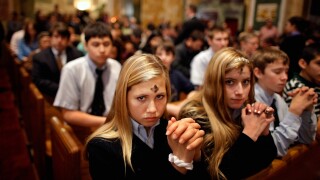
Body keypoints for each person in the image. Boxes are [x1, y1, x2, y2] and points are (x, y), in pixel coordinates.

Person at [85, 53, 205, 179]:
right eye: (141, 98)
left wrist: (196, 156)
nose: (152, 109)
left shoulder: (173, 134)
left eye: (159, 96)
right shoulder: (102, 147)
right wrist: (180, 163)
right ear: (123, 98)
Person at [179, 47, 277, 179]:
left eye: (245, 82)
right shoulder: (195, 116)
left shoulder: (245, 109)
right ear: (214, 82)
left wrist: (264, 132)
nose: (240, 92)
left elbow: (267, 158)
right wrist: (249, 133)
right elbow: (217, 175)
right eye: (230, 82)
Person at [53, 21, 121, 129]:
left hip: (112, 126)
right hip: (82, 128)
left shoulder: (116, 67)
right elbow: (68, 114)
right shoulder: (71, 69)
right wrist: (109, 122)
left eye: (106, 44)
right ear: (85, 46)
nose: (102, 50)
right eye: (96, 44)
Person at [252, 47, 317, 157]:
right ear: (258, 72)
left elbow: (306, 139)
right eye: (277, 72)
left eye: (286, 71)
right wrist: (294, 112)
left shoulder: (278, 99)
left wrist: (306, 110)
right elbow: (272, 151)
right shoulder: (252, 102)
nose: (285, 77)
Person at [32, 22, 83, 103]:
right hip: (50, 97)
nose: (59, 40)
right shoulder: (40, 57)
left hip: (75, 97)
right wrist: (62, 89)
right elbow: (38, 80)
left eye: (63, 37)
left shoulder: (77, 54)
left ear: (68, 39)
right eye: (56, 36)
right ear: (50, 38)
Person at [282, 43, 320, 135]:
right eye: (319, 63)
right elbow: (313, 132)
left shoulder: (315, 83)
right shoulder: (297, 87)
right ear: (303, 63)